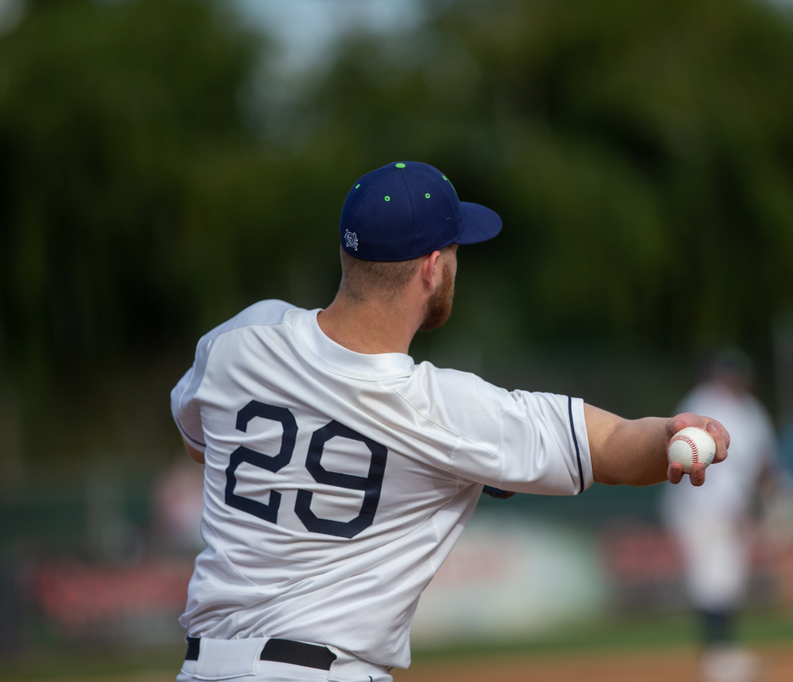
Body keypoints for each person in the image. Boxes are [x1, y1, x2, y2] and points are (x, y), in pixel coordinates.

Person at [170, 161, 730, 682]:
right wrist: (672, 434)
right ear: (432, 268)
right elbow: (608, 445)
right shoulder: (445, 411)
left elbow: (202, 444)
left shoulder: (240, 340)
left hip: (201, 668)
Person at [660, 348, 778, 682]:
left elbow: (764, 462)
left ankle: (722, 653)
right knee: (711, 577)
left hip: (733, 509)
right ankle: (718, 657)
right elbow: (677, 456)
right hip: (696, 505)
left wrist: (769, 498)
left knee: (726, 579)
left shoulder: (751, 411)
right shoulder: (697, 403)